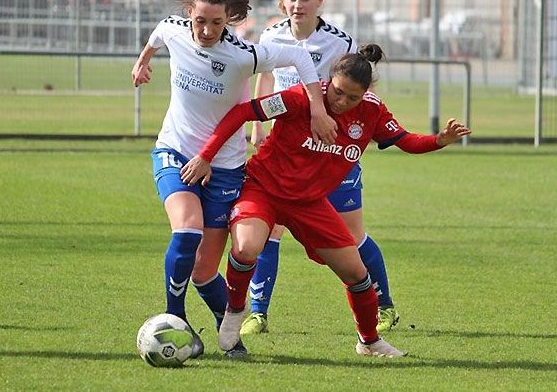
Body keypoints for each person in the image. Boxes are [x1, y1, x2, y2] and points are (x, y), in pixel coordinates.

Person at [180, 44, 471, 358]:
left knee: (357, 275)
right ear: (328, 80)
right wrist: (206, 156)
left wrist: (439, 141)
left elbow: (405, 140)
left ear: (366, 93)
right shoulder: (298, 98)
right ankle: (236, 310)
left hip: (309, 203)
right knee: (247, 246)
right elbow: (242, 112)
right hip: (263, 189)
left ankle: (369, 342)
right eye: (338, 92)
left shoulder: (372, 111)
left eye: (353, 97)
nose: (343, 101)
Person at [131, 0, 337, 358]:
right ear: (188, 14)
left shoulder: (245, 55)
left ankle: (227, 331)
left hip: (225, 167)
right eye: (199, 21)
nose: (206, 30)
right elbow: (159, 33)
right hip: (174, 152)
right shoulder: (175, 28)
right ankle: (176, 320)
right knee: (187, 230)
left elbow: (299, 57)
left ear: (231, 20)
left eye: (216, 22)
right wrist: (143, 61)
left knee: (206, 270)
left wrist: (314, 107)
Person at [243, 0, 400, 336]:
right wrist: (258, 123)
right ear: (283, 1)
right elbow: (265, 78)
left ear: (320, 2)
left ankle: (385, 305)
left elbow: (355, 94)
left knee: (352, 236)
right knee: (271, 229)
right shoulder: (271, 35)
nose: (298, 5)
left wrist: (363, 132)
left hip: (328, 152)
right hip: (286, 152)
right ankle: (258, 313)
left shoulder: (338, 41)